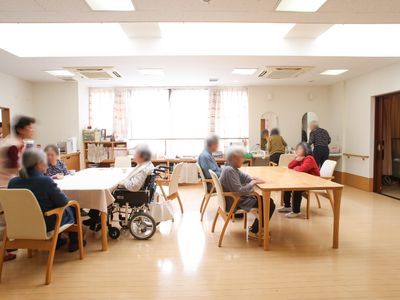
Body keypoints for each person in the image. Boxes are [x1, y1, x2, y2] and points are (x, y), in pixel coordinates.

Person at [8, 149, 85, 252]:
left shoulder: (13, 182)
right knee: (73, 206)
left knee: (51, 208)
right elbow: (63, 202)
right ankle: (75, 242)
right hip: (45, 225)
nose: (47, 164)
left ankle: (57, 241)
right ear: (38, 163)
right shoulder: (45, 181)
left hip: (21, 225)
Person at [83, 144, 155, 229]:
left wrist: (123, 182)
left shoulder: (143, 169)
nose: (133, 156)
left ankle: (95, 217)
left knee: (103, 193)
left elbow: (134, 186)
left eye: (135, 154)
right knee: (104, 190)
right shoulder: (145, 165)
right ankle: (93, 216)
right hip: (132, 191)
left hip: (130, 193)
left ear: (141, 156)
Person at [0, 115, 36, 261]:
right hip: (4, 186)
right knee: (4, 219)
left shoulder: (17, 142)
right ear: (21, 130)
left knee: (7, 218)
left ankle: (6, 245)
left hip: (8, 184)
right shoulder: (13, 145)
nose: (32, 130)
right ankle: (3, 252)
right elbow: (14, 169)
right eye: (29, 127)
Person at [220, 147, 276, 237]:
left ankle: (256, 228)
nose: (243, 160)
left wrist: (253, 179)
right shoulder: (229, 171)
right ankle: (255, 231)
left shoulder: (232, 168)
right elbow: (239, 191)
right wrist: (253, 182)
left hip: (236, 198)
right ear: (234, 159)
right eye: (241, 158)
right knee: (269, 203)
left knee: (267, 201)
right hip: (235, 201)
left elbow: (245, 177)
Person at [278, 142, 320, 218]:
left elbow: (301, 169)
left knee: (297, 189)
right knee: (287, 186)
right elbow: (290, 166)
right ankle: (287, 206)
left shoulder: (309, 158)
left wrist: (296, 166)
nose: (297, 150)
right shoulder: (301, 158)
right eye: (297, 148)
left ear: (306, 150)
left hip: (313, 182)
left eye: (300, 149)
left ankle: (296, 211)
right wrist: (296, 159)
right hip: (304, 180)